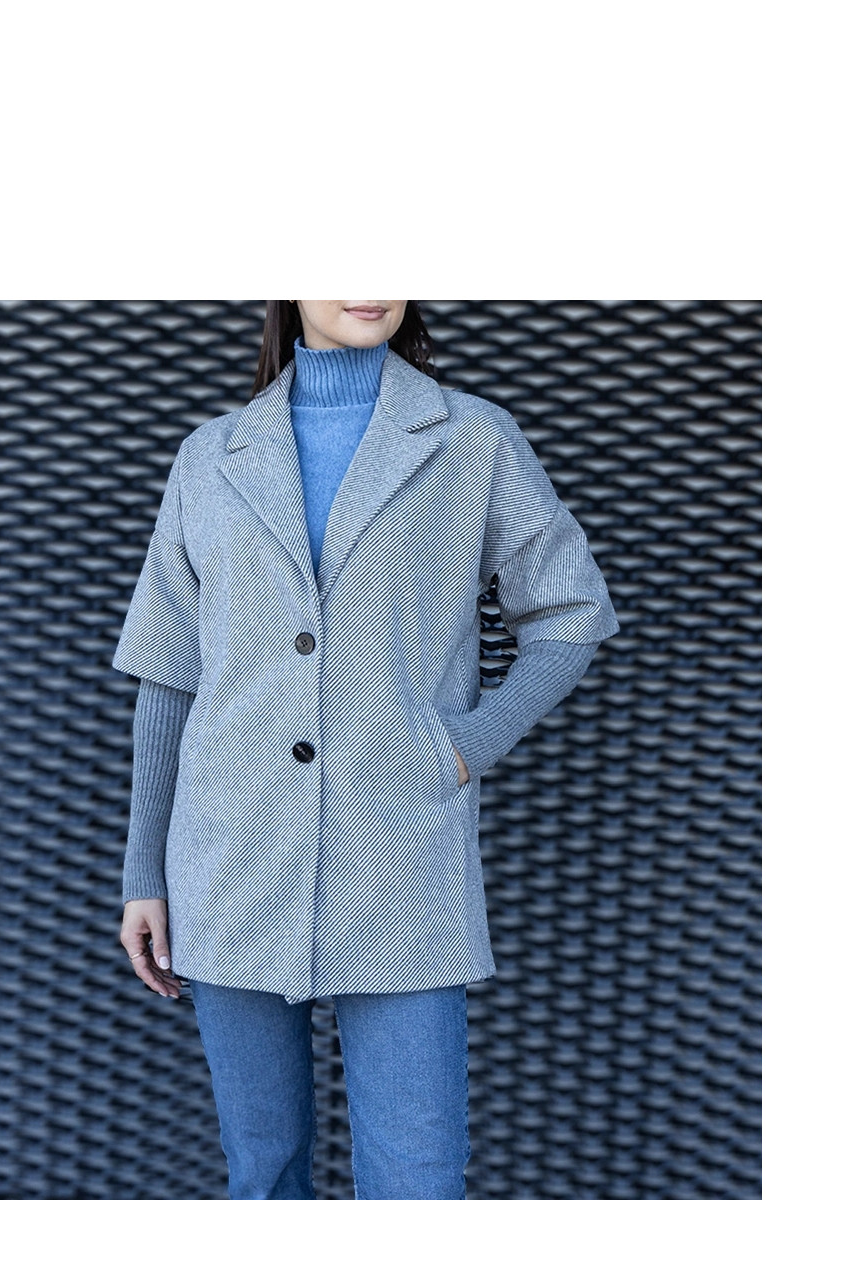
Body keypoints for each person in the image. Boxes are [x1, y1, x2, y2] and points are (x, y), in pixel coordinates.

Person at [112, 300, 620, 1200]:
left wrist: (465, 744)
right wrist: (142, 872)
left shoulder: (473, 440)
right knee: (263, 1176)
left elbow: (570, 611)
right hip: (228, 859)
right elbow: (170, 672)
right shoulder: (210, 456)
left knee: (416, 1182)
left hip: (399, 857)